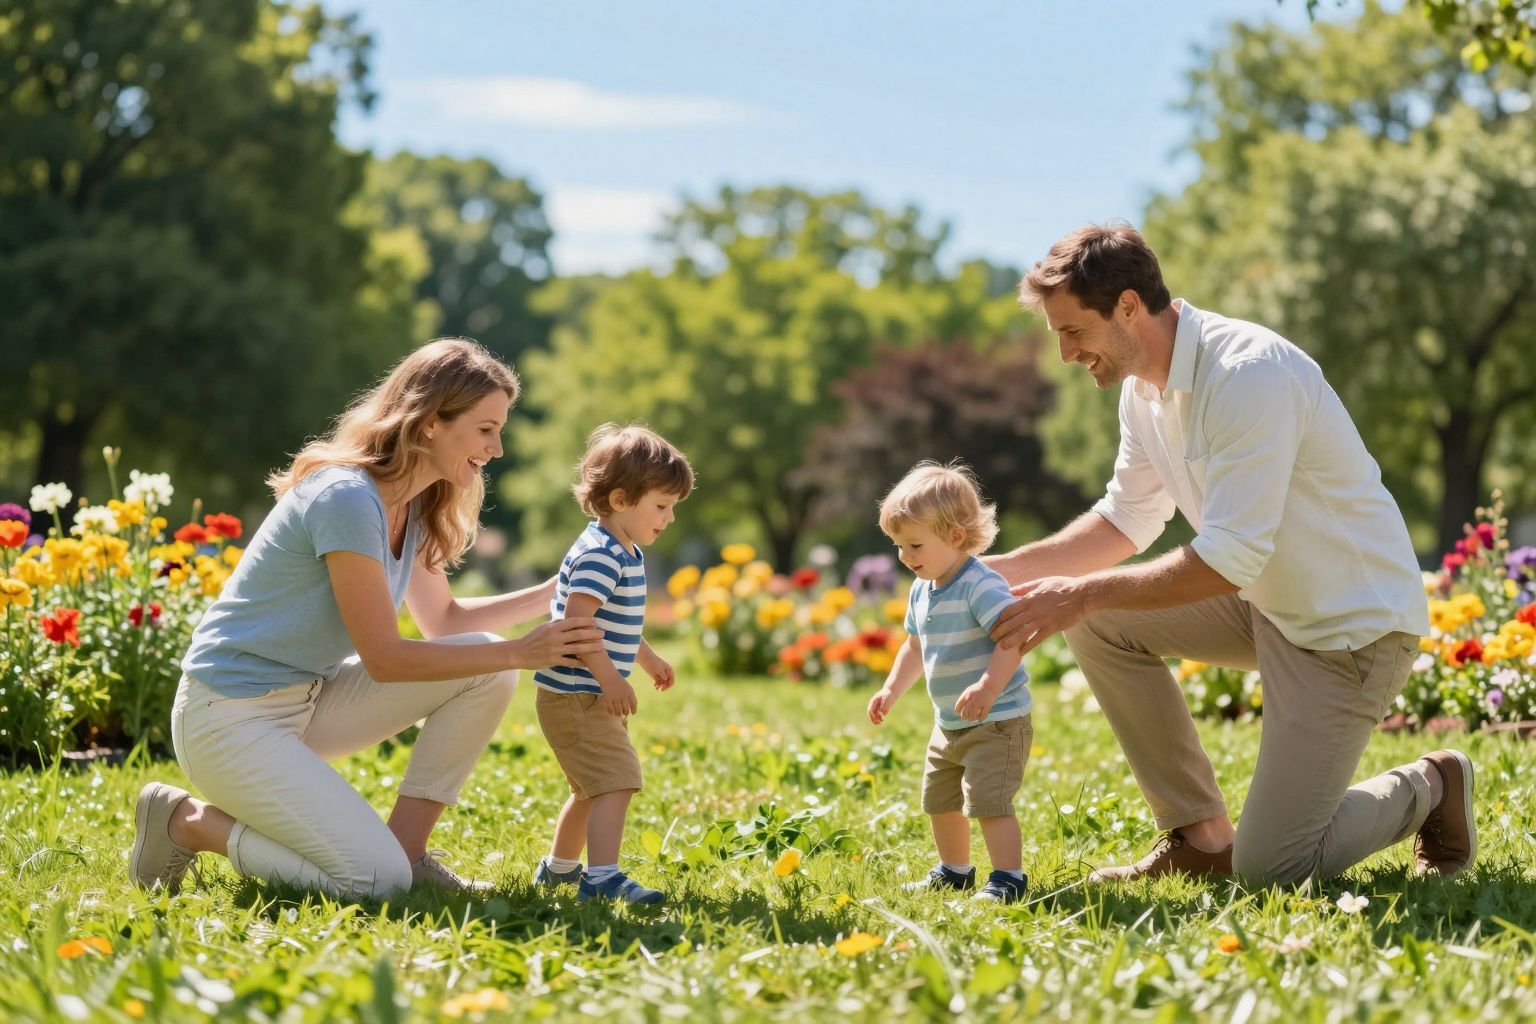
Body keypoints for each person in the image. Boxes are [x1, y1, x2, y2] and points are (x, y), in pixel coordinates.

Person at [969, 223, 1467, 884]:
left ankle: (1433, 784)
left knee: (1274, 867)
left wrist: (1080, 590)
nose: (1065, 354)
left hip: (1352, 631)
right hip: (1267, 605)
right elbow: (1126, 517)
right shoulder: (1142, 393)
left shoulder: (1247, 374)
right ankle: (1197, 837)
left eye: (1073, 332)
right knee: (1091, 618)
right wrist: (993, 572)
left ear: (1126, 307)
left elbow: (1228, 557)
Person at [129, 339, 604, 900]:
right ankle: (185, 821)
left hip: (307, 700)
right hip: (228, 719)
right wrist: (522, 651)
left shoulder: (418, 505)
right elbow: (385, 657)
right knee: (373, 882)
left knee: (487, 667)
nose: (496, 448)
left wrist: (553, 593)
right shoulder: (346, 498)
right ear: (429, 423)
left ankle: (408, 854)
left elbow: (445, 623)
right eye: (484, 429)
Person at [529, 424, 693, 905]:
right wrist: (609, 681)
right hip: (578, 693)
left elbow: (612, 620)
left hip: (582, 694)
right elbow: (579, 627)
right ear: (620, 499)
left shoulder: (624, 551)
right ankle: (601, 878)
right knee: (617, 781)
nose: (669, 518)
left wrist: (646, 657)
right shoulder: (601, 555)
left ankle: (558, 870)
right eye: (661, 506)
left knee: (591, 788)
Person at [867, 462, 1033, 904]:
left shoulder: (979, 585)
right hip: (950, 724)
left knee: (989, 804)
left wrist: (987, 686)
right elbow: (914, 648)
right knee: (940, 801)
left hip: (997, 720)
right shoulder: (922, 588)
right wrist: (890, 689)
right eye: (899, 546)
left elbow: (1013, 639)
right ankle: (955, 871)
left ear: (956, 537)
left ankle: (1008, 878)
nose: (905, 556)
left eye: (915, 544)